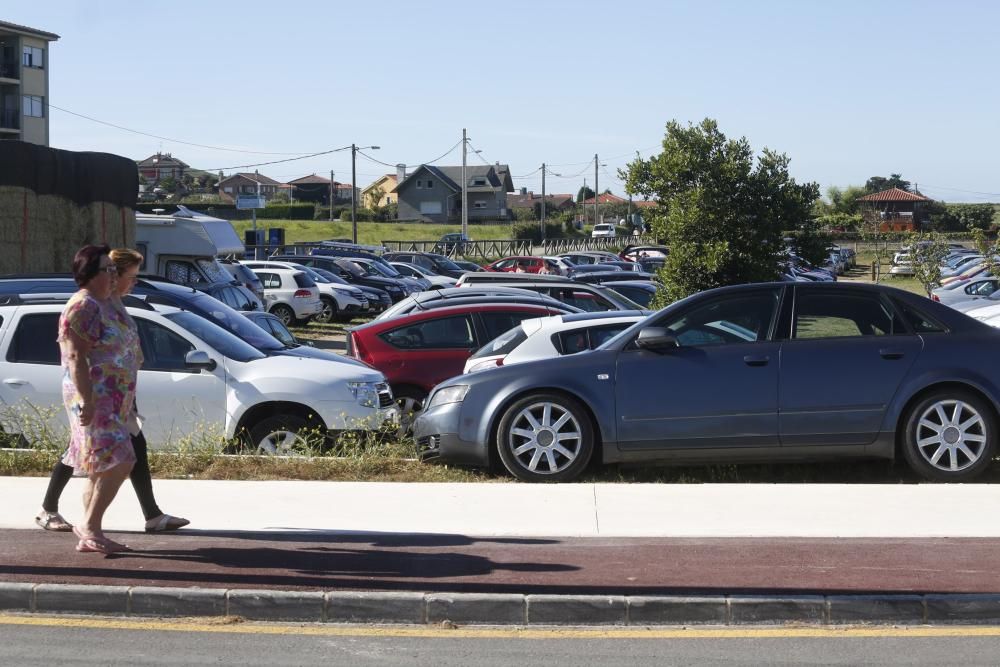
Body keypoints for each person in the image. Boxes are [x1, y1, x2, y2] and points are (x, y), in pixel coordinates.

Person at [35, 248, 189, 537]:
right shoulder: (86, 305)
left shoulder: (111, 302)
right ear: (106, 274)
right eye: (128, 275)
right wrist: (87, 400)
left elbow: (125, 341)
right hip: (98, 396)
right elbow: (77, 357)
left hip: (118, 395)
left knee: (102, 457)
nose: (133, 282)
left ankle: (101, 524)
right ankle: (76, 520)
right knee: (111, 456)